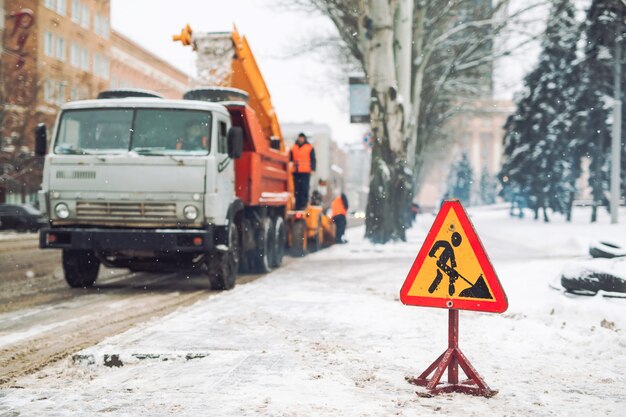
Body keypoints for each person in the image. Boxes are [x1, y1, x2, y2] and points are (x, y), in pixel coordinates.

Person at [289, 132, 316, 210]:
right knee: (297, 189)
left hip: (305, 172)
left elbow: (313, 159)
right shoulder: (294, 147)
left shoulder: (309, 147)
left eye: (302, 138)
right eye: (299, 138)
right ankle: (297, 205)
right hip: (296, 172)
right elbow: (290, 158)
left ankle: (303, 205)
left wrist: (313, 169)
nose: (300, 139)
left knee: (304, 189)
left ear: (304, 139)